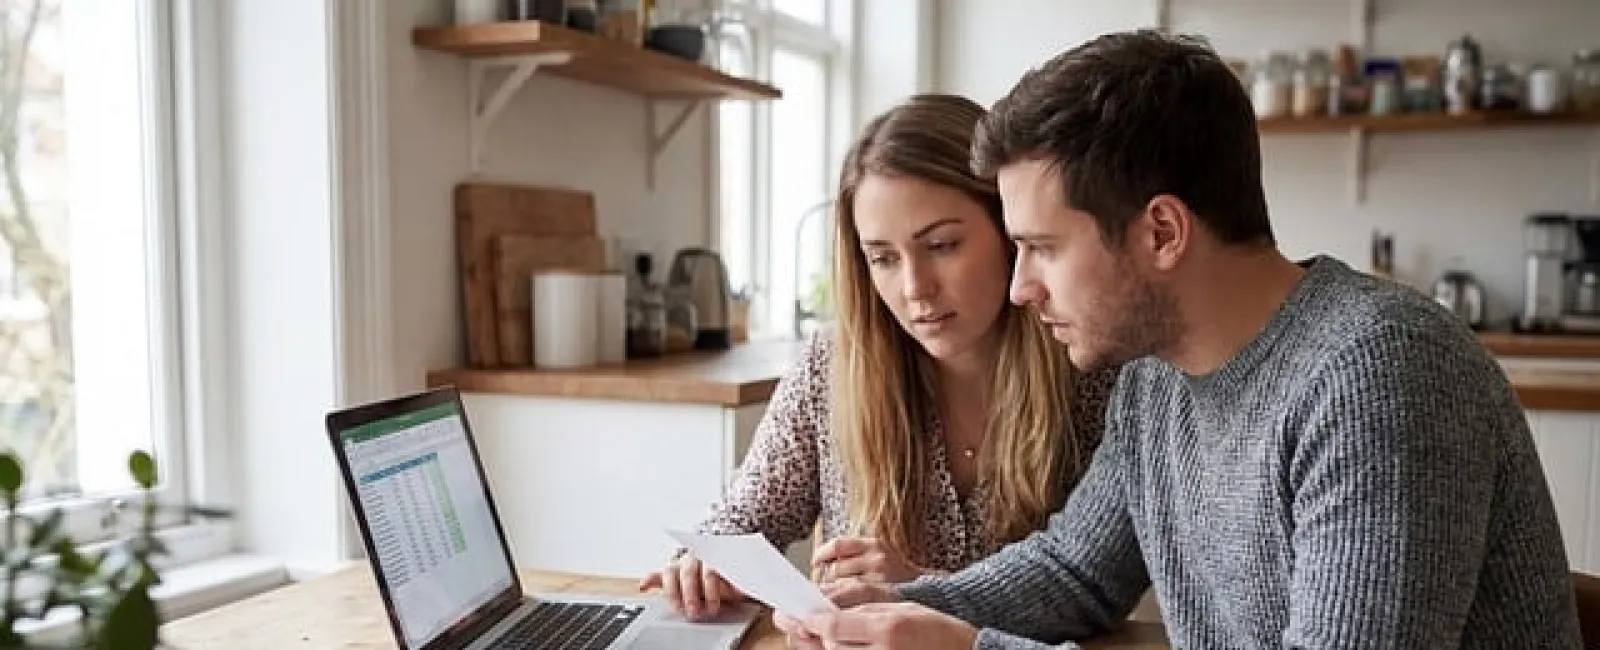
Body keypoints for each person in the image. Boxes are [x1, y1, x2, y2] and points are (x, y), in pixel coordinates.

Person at [777, 30, 1584, 649]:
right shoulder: (1158, 380)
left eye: (1045, 248)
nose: (1022, 287)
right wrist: (890, 614)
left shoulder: (1380, 373)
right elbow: (1072, 572)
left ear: (1162, 230)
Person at [638, 93, 1120, 622]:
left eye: (942, 245)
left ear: (1010, 230)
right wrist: (704, 563)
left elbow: (1089, 591)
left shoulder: (1094, 370)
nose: (915, 288)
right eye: (884, 258)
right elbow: (742, 520)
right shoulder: (832, 364)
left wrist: (918, 589)